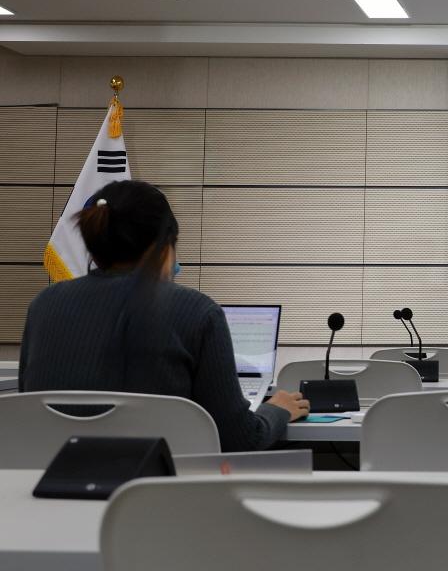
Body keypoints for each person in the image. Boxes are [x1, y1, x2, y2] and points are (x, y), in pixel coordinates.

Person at [19, 179, 309, 451]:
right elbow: (240, 439)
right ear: (163, 248)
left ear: (95, 251)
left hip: (53, 492)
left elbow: (29, 408)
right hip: (158, 496)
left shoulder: (43, 305)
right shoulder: (197, 312)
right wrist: (277, 409)